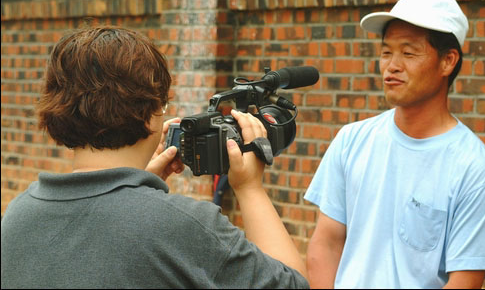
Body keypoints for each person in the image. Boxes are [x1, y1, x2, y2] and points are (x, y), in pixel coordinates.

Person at [1, 26, 309, 289]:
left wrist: (139, 190)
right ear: (150, 116)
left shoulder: (17, 217)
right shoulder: (182, 226)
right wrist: (250, 189)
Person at [305, 0, 485, 289]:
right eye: (386, 52)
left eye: (408, 53)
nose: (392, 66)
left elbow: (464, 282)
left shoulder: (473, 169)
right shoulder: (352, 141)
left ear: (448, 61)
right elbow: (327, 244)